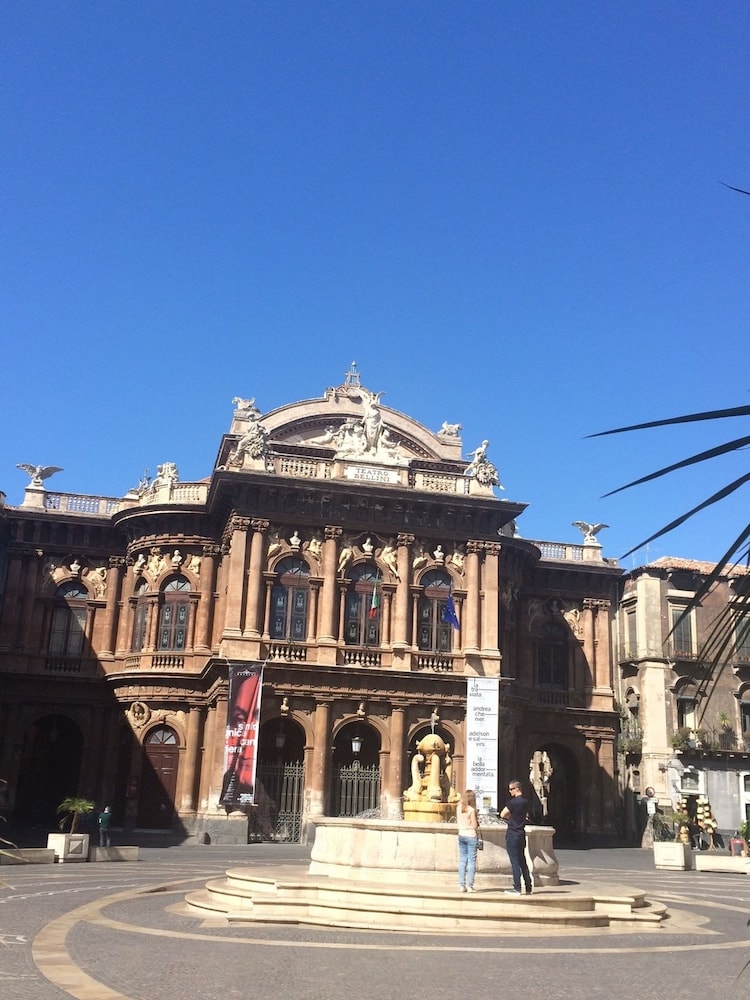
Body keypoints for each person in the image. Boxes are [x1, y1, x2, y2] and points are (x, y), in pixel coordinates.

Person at [500, 779, 532, 895]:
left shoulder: (513, 803)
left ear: (517, 788)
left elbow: (503, 814)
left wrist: (510, 817)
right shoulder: (525, 802)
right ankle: (528, 886)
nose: (510, 792)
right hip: (521, 833)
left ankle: (517, 887)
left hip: (513, 833)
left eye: (511, 789)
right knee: (522, 860)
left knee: (514, 862)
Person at [456, 789, 479, 892]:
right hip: (470, 835)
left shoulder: (459, 808)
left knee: (462, 860)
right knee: (471, 861)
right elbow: (474, 826)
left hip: (461, 834)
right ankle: (470, 885)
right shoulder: (471, 810)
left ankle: (462, 885)